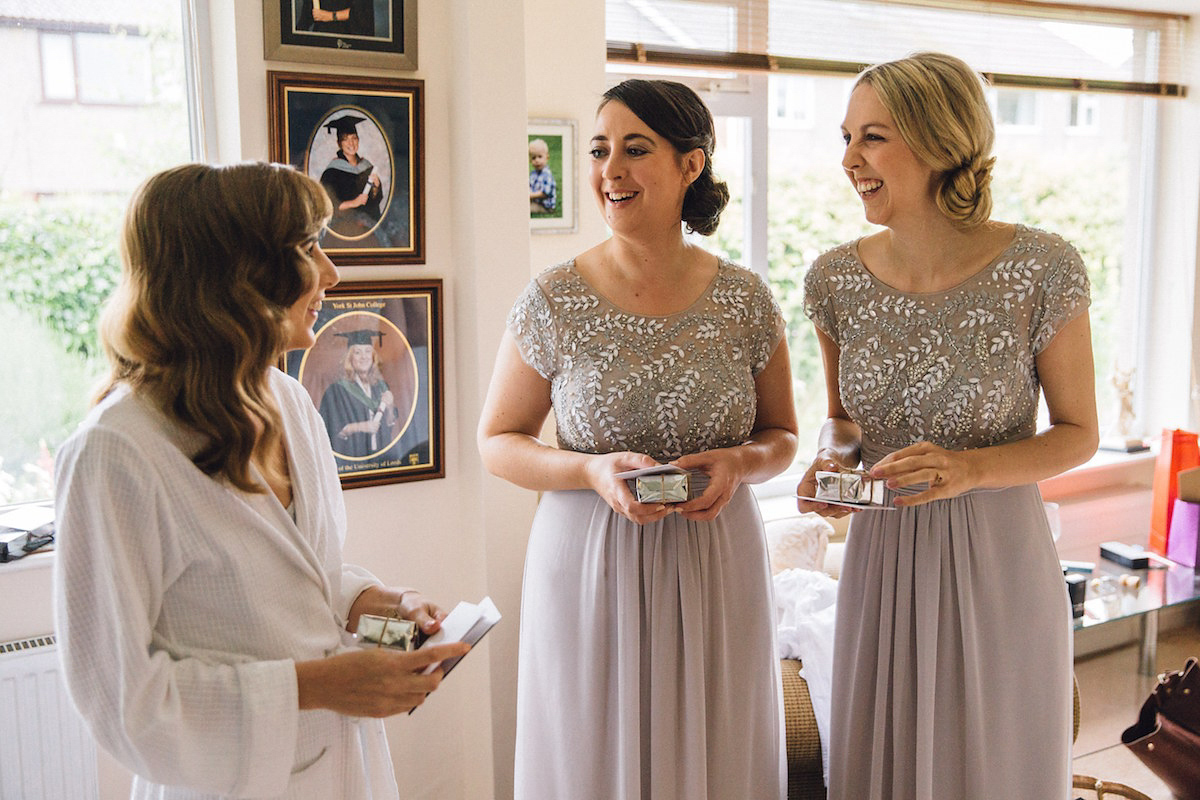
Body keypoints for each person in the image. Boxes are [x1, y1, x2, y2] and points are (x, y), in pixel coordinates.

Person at [53, 162, 468, 799]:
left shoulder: (290, 401)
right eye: (307, 249)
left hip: (343, 768)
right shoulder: (118, 452)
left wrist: (377, 603)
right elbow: (122, 702)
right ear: (234, 274)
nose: (331, 274)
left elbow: (305, 579)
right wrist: (318, 686)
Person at [479, 79, 798, 800]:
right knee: (592, 756)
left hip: (717, 557)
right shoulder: (553, 299)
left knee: (717, 754)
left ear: (691, 165)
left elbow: (783, 435)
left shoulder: (746, 300)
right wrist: (590, 472)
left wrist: (742, 462)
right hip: (589, 561)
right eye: (599, 151)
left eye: (634, 149)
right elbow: (498, 442)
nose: (608, 171)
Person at [797, 52, 1098, 799]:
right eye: (845, 138)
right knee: (885, 762)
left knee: (994, 765)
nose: (850, 160)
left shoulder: (1043, 268)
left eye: (871, 137)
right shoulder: (834, 279)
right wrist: (829, 468)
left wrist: (968, 469)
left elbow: (1078, 431)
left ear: (937, 140)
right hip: (881, 559)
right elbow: (842, 420)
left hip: (1000, 561)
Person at [320, 328, 399, 458]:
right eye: (357, 352)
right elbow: (332, 431)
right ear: (350, 358)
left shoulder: (380, 387)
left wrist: (390, 407)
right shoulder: (336, 391)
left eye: (368, 351)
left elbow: (389, 424)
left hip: (381, 459)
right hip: (353, 459)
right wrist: (360, 427)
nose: (364, 357)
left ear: (373, 357)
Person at [319, 113, 385, 241]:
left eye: (354, 138)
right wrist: (353, 203)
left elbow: (375, 201)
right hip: (343, 227)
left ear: (358, 140)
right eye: (346, 139)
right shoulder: (332, 172)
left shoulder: (367, 167)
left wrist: (376, 186)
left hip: (367, 228)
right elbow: (328, 205)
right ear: (339, 144)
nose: (351, 143)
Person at [296, 0, 375, 36]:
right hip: (322, 38)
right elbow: (305, 20)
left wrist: (331, 16)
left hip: (349, 38)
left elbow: (362, 13)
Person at [528, 138, 556, 215]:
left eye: (540, 157)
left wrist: (530, 196)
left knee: (527, 208)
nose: (537, 160)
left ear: (547, 158)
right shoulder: (533, 174)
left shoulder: (547, 175)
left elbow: (544, 194)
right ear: (530, 160)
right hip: (536, 201)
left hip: (545, 206)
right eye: (533, 158)